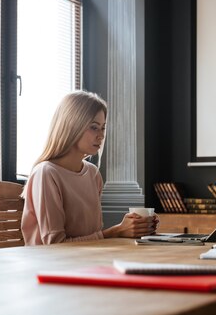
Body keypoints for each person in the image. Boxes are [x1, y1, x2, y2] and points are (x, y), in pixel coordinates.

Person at [21, 91, 158, 245]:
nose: (101, 136)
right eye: (94, 127)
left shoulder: (92, 174)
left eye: (103, 128)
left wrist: (135, 227)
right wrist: (117, 231)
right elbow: (55, 245)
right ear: (72, 126)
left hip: (87, 261)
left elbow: (94, 235)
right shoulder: (46, 173)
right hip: (53, 265)